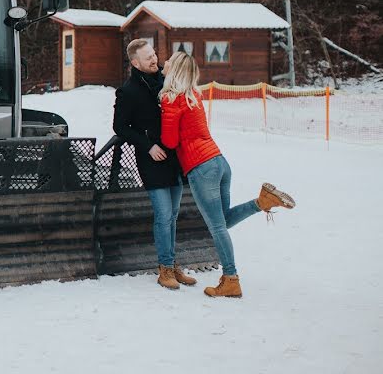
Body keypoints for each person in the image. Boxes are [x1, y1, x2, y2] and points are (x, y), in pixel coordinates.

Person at [159, 51, 296, 298]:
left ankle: (231, 278)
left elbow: (169, 141)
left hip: (201, 168)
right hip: (220, 162)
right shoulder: (194, 96)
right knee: (222, 221)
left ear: (175, 69)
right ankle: (262, 202)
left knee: (217, 227)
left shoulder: (172, 99)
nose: (164, 62)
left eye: (168, 60)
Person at [113, 39, 194, 290]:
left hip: (174, 157)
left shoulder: (166, 80)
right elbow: (119, 127)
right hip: (152, 158)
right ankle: (165, 268)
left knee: (173, 215)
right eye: (147, 57)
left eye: (154, 54)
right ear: (135, 62)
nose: (154, 59)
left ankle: (172, 262)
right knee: (163, 214)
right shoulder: (128, 91)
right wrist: (147, 145)